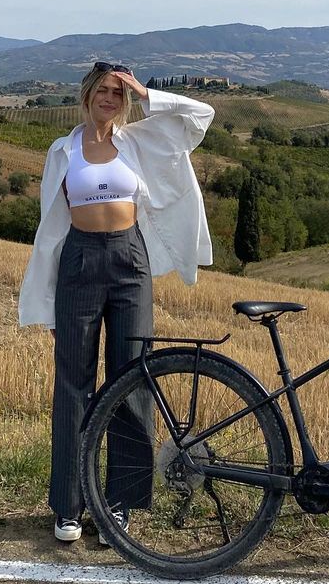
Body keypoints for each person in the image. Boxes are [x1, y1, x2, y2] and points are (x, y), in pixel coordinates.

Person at [18, 61, 215, 543]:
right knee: (73, 385)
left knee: (132, 379)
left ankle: (118, 505)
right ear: (87, 94)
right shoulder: (62, 151)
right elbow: (51, 229)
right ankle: (68, 506)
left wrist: (145, 93)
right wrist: (47, 298)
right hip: (79, 262)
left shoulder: (139, 141)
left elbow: (200, 116)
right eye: (103, 89)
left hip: (130, 261)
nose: (110, 98)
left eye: (118, 92)